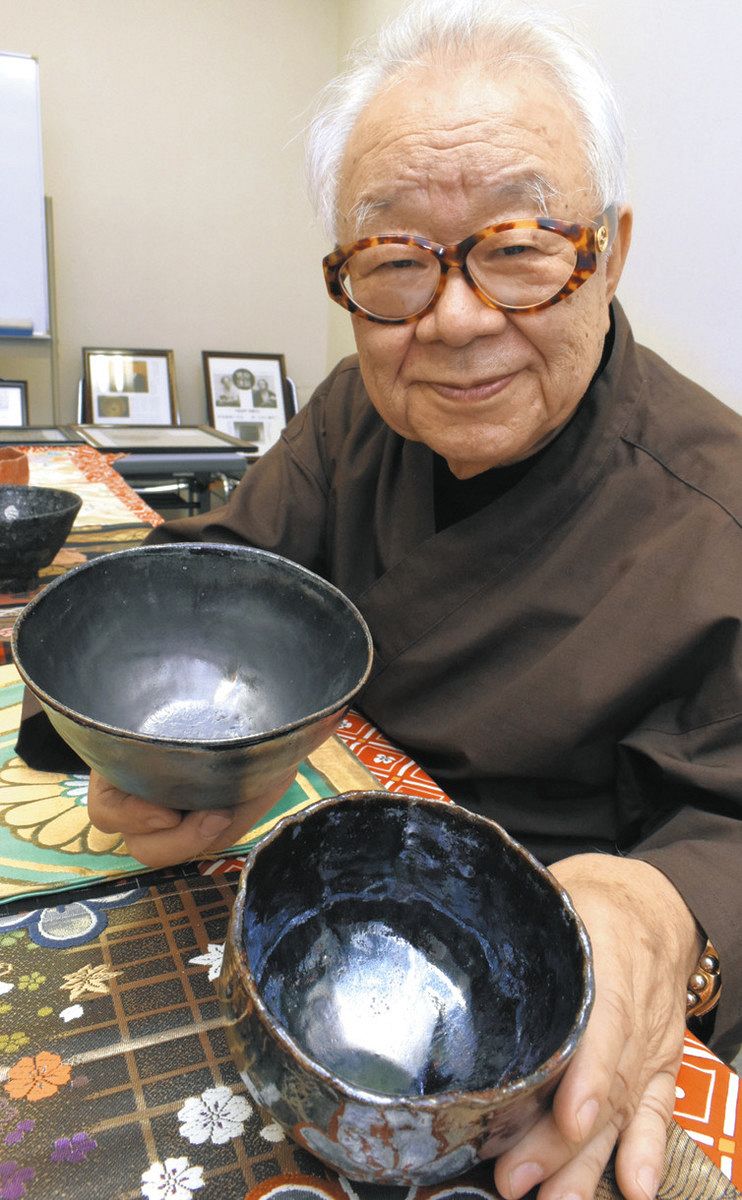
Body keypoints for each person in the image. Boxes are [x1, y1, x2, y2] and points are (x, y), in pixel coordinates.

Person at [84, 2, 741, 1198]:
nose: (452, 317)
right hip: (317, 924)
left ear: (610, 251)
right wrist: (160, 728)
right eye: (394, 261)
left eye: (519, 246)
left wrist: (667, 911)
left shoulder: (718, 516)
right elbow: (231, 574)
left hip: (538, 1006)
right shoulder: (354, 414)